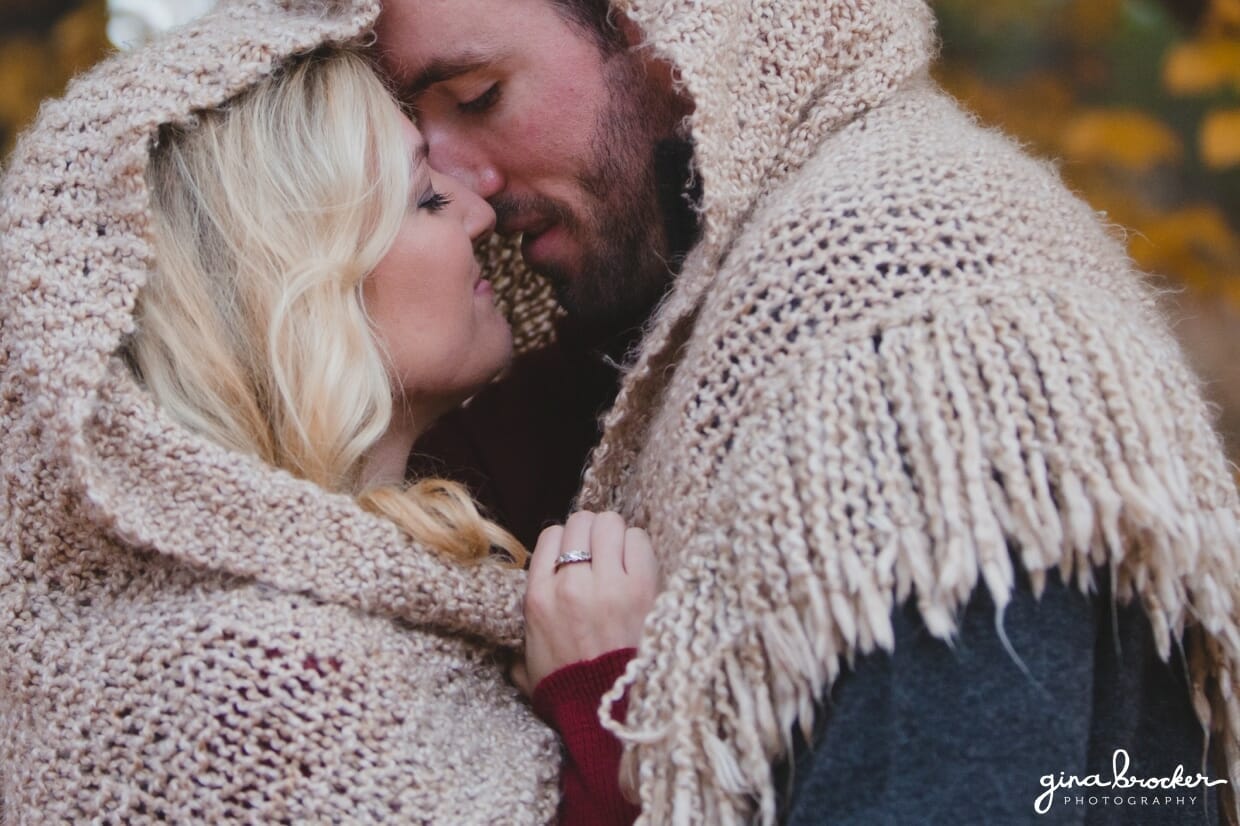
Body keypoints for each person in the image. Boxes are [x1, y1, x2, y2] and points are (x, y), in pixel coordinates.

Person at [376, 0, 1240, 823]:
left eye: (478, 96)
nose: (465, 181)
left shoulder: (910, 326)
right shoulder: (691, 296)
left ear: (657, 28)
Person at [0, 3, 651, 823]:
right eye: (425, 200)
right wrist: (606, 712)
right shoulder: (244, 691)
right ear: (298, 294)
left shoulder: (340, 609)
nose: (480, 212)